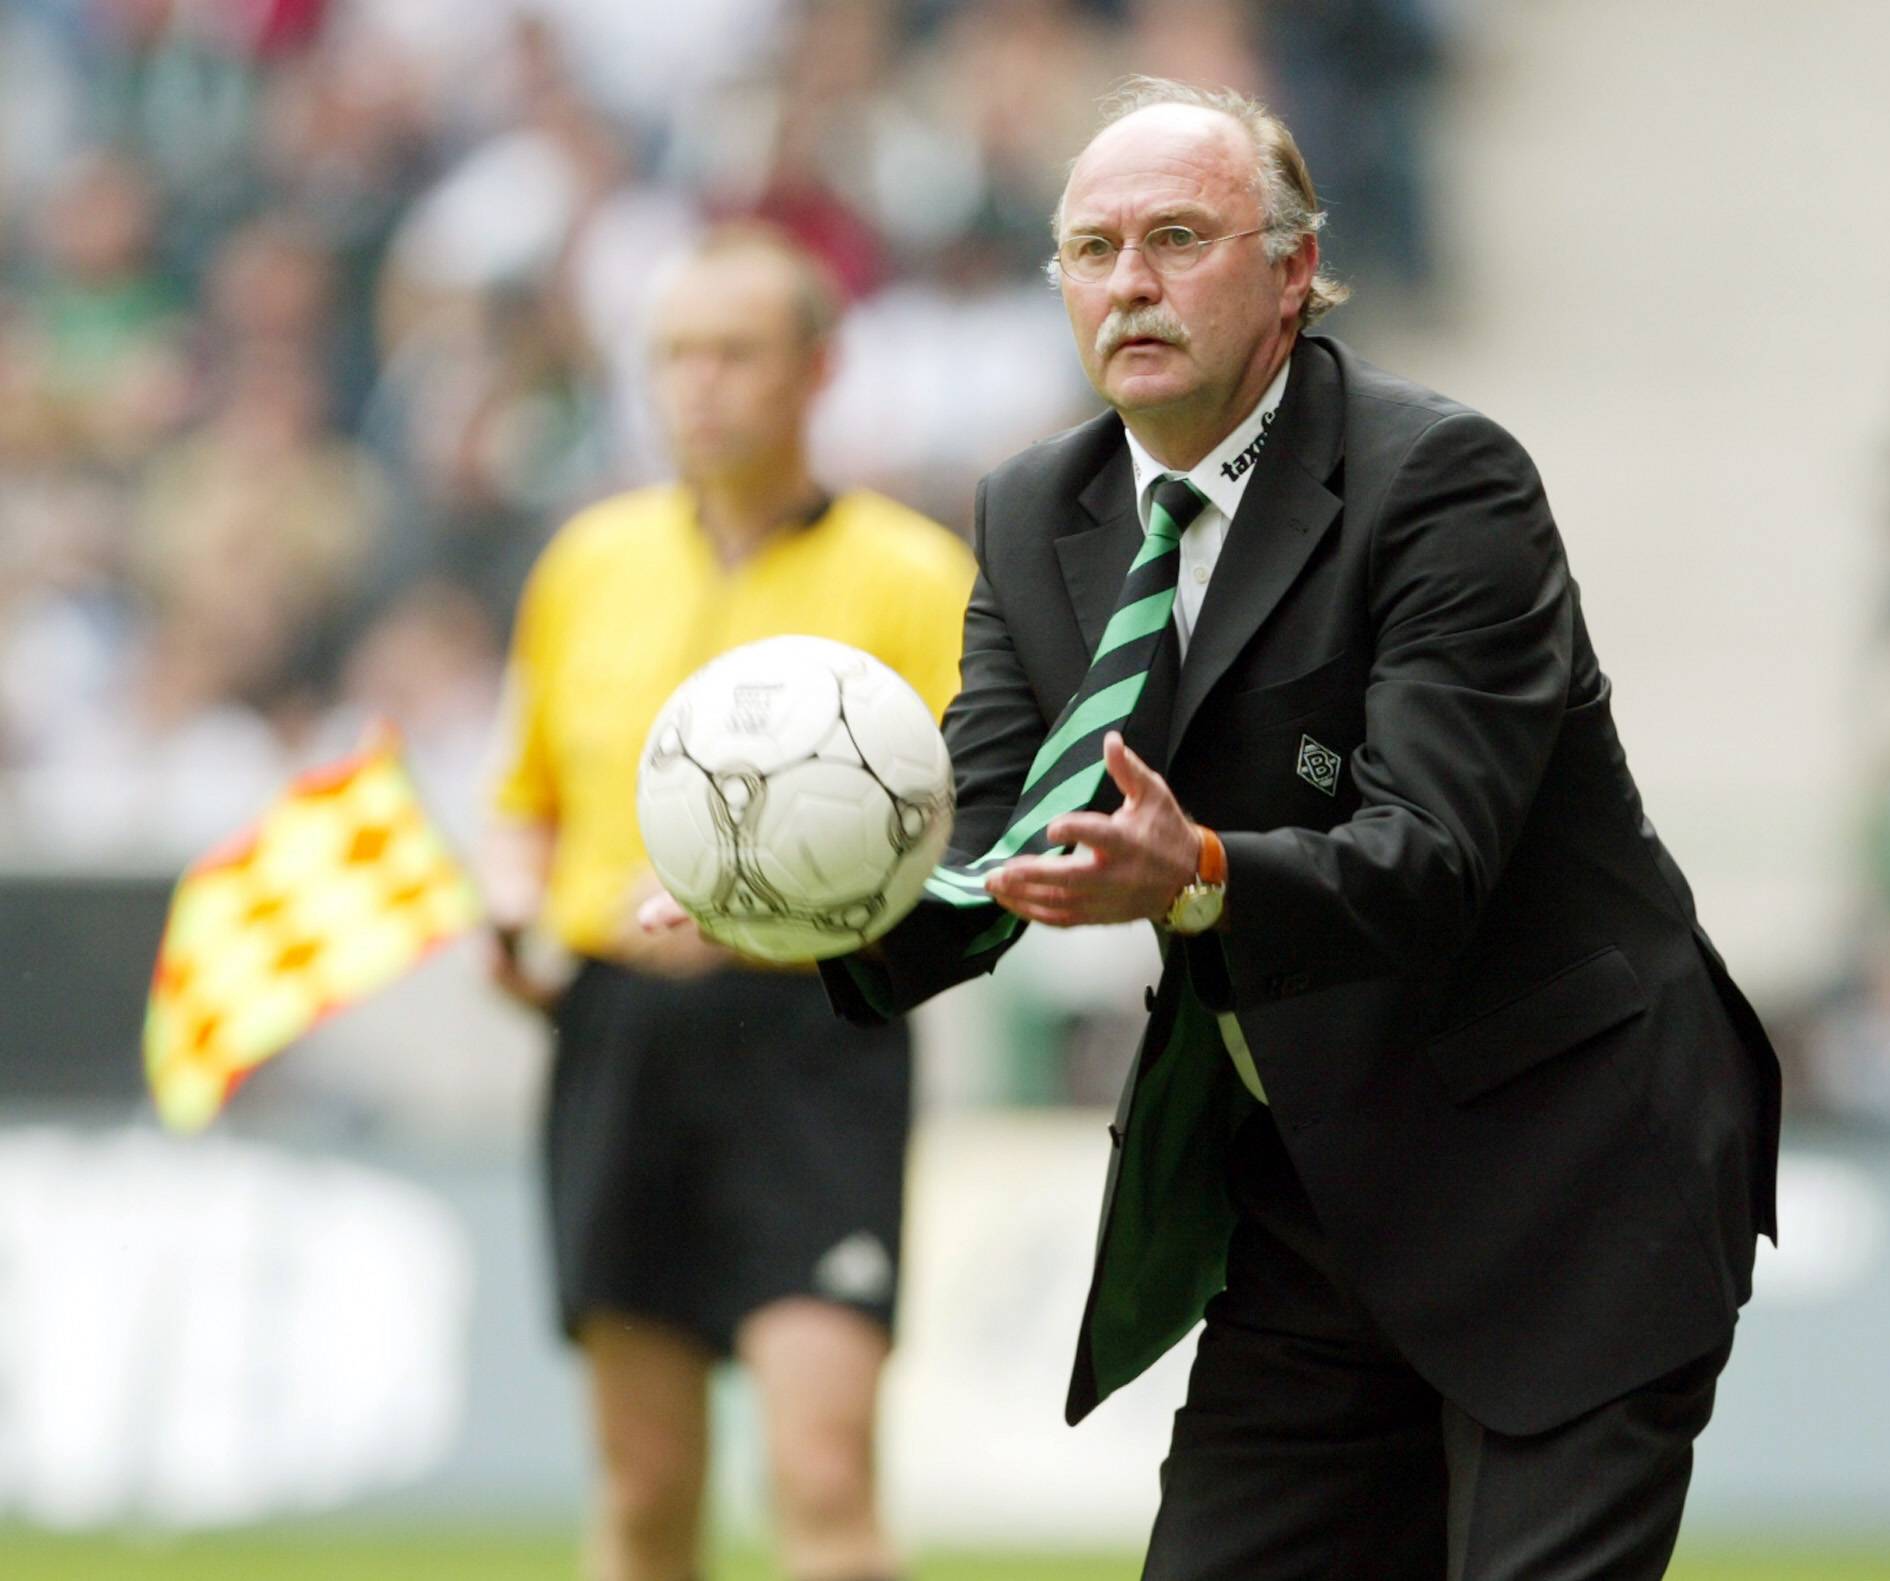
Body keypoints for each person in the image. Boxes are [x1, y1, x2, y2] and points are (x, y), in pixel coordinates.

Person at [651, 78, 1782, 1579]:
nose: (1128, 280)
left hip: (1566, 1173)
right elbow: (984, 835)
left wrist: (1189, 876)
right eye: (1092, 247)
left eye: (1176, 238)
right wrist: (799, 911)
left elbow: (1430, 858)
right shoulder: (1030, 512)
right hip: (1316, 1196)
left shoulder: (1444, 482)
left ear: (1293, 267)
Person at [484, 224, 973, 1581]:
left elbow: (977, 819)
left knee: (820, 1468)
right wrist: (515, 912)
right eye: (674, 355)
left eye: (735, 352)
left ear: (819, 368)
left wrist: (780, 906)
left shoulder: (911, 574)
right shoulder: (585, 562)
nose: (699, 383)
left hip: (814, 1033)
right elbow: (522, 797)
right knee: (641, 1487)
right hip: (617, 1030)